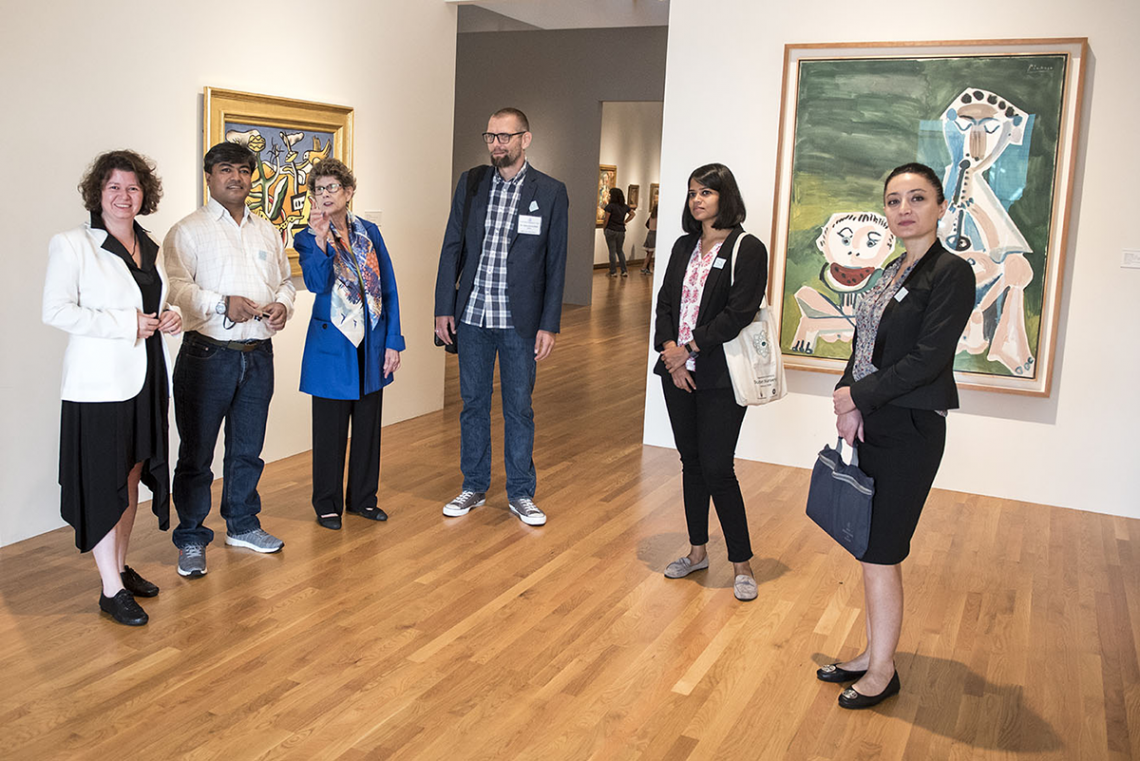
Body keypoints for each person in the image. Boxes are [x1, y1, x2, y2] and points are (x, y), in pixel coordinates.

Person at [819, 162, 974, 709]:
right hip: (874, 422)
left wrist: (858, 397)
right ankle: (872, 651)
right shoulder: (888, 272)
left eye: (916, 198)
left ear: (939, 207)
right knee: (869, 548)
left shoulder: (950, 273)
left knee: (882, 550)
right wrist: (847, 398)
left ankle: (882, 669)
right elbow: (864, 345)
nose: (904, 209)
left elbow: (928, 360)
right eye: (893, 200)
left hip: (910, 427)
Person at [42, 150, 182, 626]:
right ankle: (109, 590)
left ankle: (119, 567)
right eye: (114, 188)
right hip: (98, 386)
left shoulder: (151, 244)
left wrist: (170, 315)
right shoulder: (71, 244)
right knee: (107, 481)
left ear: (145, 195)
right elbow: (56, 311)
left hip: (146, 377)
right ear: (97, 193)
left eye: (133, 188)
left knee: (129, 475)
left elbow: (155, 302)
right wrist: (126, 324)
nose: (124, 196)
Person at [162, 142, 296, 578]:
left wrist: (282, 305)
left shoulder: (266, 230)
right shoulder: (187, 230)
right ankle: (191, 537)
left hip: (258, 355)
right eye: (225, 170)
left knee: (247, 450)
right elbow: (176, 290)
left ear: (252, 176)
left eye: (243, 170)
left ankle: (242, 525)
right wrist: (222, 304)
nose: (235, 177)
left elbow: (285, 282)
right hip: (207, 355)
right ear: (209, 176)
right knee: (197, 453)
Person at [433, 107, 568, 527]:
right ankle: (474, 484)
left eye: (505, 137)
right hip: (472, 314)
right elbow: (452, 244)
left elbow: (556, 262)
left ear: (525, 139)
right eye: (491, 136)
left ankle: (521, 492)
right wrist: (443, 307)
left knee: (518, 408)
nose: (496, 144)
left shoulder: (550, 191)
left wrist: (549, 323)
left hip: (519, 321)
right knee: (473, 404)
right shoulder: (471, 182)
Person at [653, 163, 768, 602]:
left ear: (725, 196)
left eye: (706, 192)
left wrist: (691, 349)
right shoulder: (684, 246)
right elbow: (665, 302)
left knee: (719, 468)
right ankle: (697, 550)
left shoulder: (747, 247)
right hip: (676, 370)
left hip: (719, 375)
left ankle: (742, 563)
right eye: (692, 193)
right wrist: (671, 353)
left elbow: (739, 312)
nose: (697, 200)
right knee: (692, 463)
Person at [295, 159, 404, 531]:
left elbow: (387, 288)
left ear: (349, 192)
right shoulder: (307, 237)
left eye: (332, 188)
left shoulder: (369, 232)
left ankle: (363, 499)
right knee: (329, 431)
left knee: (368, 428)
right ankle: (327, 504)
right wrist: (321, 238)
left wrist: (394, 342)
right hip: (332, 346)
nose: (324, 195)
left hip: (370, 343)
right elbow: (314, 282)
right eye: (319, 189)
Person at [602, 187, 636, 278]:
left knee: (612, 251)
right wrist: (625, 221)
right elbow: (633, 214)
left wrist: (604, 229)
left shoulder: (610, 206)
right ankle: (624, 271)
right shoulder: (624, 206)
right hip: (621, 230)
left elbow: (606, 219)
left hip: (611, 229)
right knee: (620, 250)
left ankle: (613, 271)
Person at [640, 202, 658, 275]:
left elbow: (647, 224)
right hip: (654, 234)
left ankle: (646, 268)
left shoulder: (652, 216)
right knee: (650, 253)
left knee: (649, 253)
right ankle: (644, 267)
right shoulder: (658, 217)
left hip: (650, 233)